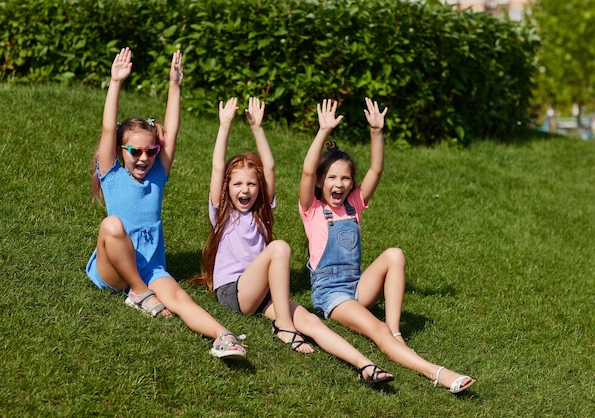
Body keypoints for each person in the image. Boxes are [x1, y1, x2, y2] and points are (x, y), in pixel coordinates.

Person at [192, 96, 393, 384]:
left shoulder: (262, 213)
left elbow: (270, 168)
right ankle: (284, 327)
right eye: (237, 183)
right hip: (234, 292)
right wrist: (224, 125)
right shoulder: (222, 212)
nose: (245, 190)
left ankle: (365, 366)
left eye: (251, 183)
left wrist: (258, 128)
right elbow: (216, 168)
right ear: (227, 187)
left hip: (261, 293)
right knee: (279, 248)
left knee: (310, 321)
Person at [298, 97, 475, 394]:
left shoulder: (354, 204)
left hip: (356, 286)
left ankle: (395, 331)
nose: (338, 184)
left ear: (352, 183)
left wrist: (376, 132)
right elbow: (305, 172)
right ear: (319, 182)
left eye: (345, 178)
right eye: (331, 178)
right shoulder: (312, 209)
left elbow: (376, 170)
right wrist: (323, 131)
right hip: (331, 294)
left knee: (395, 254)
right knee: (375, 330)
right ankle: (437, 373)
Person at [86, 47, 246, 361]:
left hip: (152, 268)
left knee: (181, 299)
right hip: (113, 271)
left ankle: (224, 337)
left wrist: (175, 85)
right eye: (135, 151)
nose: (144, 158)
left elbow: (171, 132)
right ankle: (139, 293)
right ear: (121, 150)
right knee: (112, 225)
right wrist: (115, 82)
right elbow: (108, 128)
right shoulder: (111, 174)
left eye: (151, 151)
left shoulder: (157, 175)